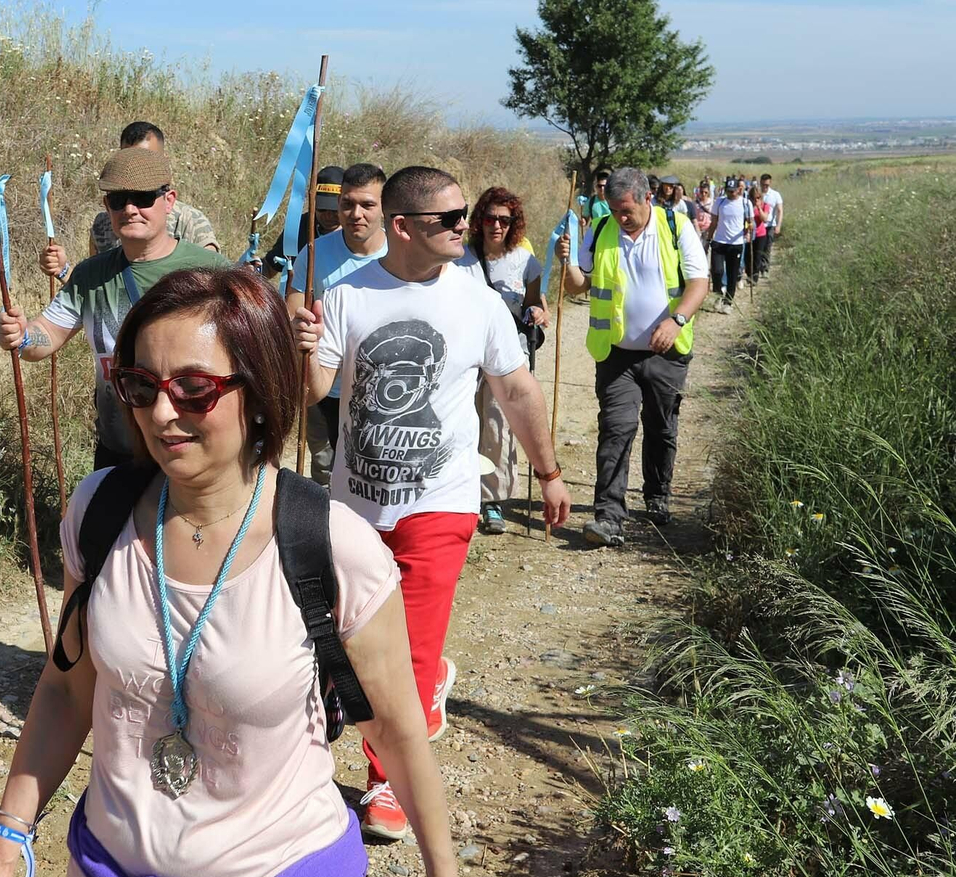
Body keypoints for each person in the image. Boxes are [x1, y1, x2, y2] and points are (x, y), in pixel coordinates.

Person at [0, 268, 474, 877]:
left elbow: (394, 729)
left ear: (259, 389)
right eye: (141, 386)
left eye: (194, 388)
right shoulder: (99, 511)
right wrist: (4, 844)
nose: (161, 413)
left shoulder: (334, 548)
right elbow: (65, 687)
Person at [293, 166, 571, 840]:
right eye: (447, 219)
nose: (462, 227)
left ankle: (386, 780)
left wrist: (549, 471)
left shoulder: (477, 300)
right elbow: (313, 393)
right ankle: (403, 706)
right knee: (351, 642)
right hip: (355, 506)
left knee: (407, 650)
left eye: (462, 215)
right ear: (402, 227)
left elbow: (517, 390)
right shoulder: (345, 295)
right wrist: (301, 347)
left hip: (439, 502)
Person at [0, 146, 231, 470]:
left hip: (190, 456)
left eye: (143, 197)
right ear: (107, 206)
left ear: (169, 200)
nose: (131, 209)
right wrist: (21, 335)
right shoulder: (91, 275)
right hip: (118, 454)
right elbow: (47, 334)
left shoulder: (213, 273)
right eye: (118, 200)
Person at [555, 168, 710, 547]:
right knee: (616, 428)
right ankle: (608, 515)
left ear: (647, 199)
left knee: (660, 427)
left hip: (667, 354)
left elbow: (698, 283)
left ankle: (657, 494)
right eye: (614, 209)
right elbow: (580, 286)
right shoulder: (603, 229)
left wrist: (677, 321)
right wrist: (569, 261)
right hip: (616, 354)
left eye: (627, 210)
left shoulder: (676, 227)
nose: (621, 218)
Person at [285, 163, 387, 487]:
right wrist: (300, 328)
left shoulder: (400, 254)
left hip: (380, 389)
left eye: (367, 205)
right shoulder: (314, 253)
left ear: (384, 208)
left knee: (373, 472)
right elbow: (293, 310)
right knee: (328, 470)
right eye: (348, 204)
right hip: (327, 387)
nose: (356, 213)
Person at [455, 187, 548, 535]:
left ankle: (492, 502)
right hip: (466, 355)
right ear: (479, 220)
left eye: (504, 220)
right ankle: (462, 495)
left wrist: (538, 312)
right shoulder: (458, 259)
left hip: (507, 357)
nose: (497, 225)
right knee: (464, 425)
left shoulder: (526, 263)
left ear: (514, 224)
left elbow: (537, 305)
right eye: (491, 218)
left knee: (497, 427)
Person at [43, 122, 220, 281]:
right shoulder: (104, 225)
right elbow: (95, 292)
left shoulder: (190, 221)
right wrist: (63, 270)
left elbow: (213, 287)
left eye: (146, 159)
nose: (137, 168)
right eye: (129, 159)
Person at [264, 165, 345, 280]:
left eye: (334, 210)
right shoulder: (298, 227)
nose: (328, 215)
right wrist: (253, 271)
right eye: (322, 208)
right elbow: (270, 267)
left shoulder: (354, 233)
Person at [708, 178, 749, 313]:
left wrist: (748, 230)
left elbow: (750, 221)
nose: (731, 194)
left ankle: (728, 301)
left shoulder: (745, 203)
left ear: (739, 189)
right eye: (728, 191)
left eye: (733, 191)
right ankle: (718, 294)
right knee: (717, 271)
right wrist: (709, 238)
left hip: (736, 243)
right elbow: (713, 222)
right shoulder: (719, 202)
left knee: (732, 274)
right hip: (719, 242)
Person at [749, 180, 772, 285]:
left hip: (760, 234)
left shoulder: (765, 206)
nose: (756, 199)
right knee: (748, 256)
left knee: (757, 256)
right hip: (749, 233)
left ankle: (755, 277)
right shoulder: (747, 205)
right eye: (754, 198)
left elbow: (765, 219)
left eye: (758, 197)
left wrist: (758, 208)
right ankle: (749, 274)